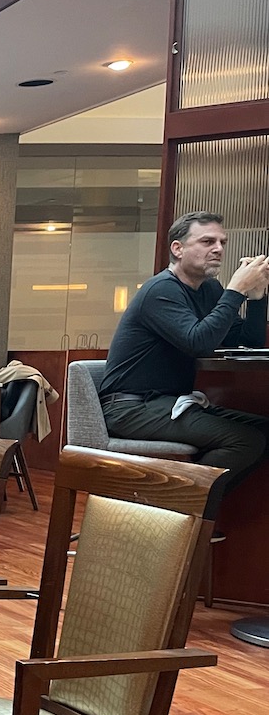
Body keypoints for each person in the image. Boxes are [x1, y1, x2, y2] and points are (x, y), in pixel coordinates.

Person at [99, 210, 269, 512]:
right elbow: (198, 342)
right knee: (246, 441)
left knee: (263, 432)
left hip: (169, 403)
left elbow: (247, 340)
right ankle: (177, 514)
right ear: (178, 249)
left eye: (221, 242)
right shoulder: (161, 290)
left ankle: (182, 513)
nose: (218, 248)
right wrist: (235, 291)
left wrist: (256, 298)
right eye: (207, 241)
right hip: (129, 407)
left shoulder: (209, 290)